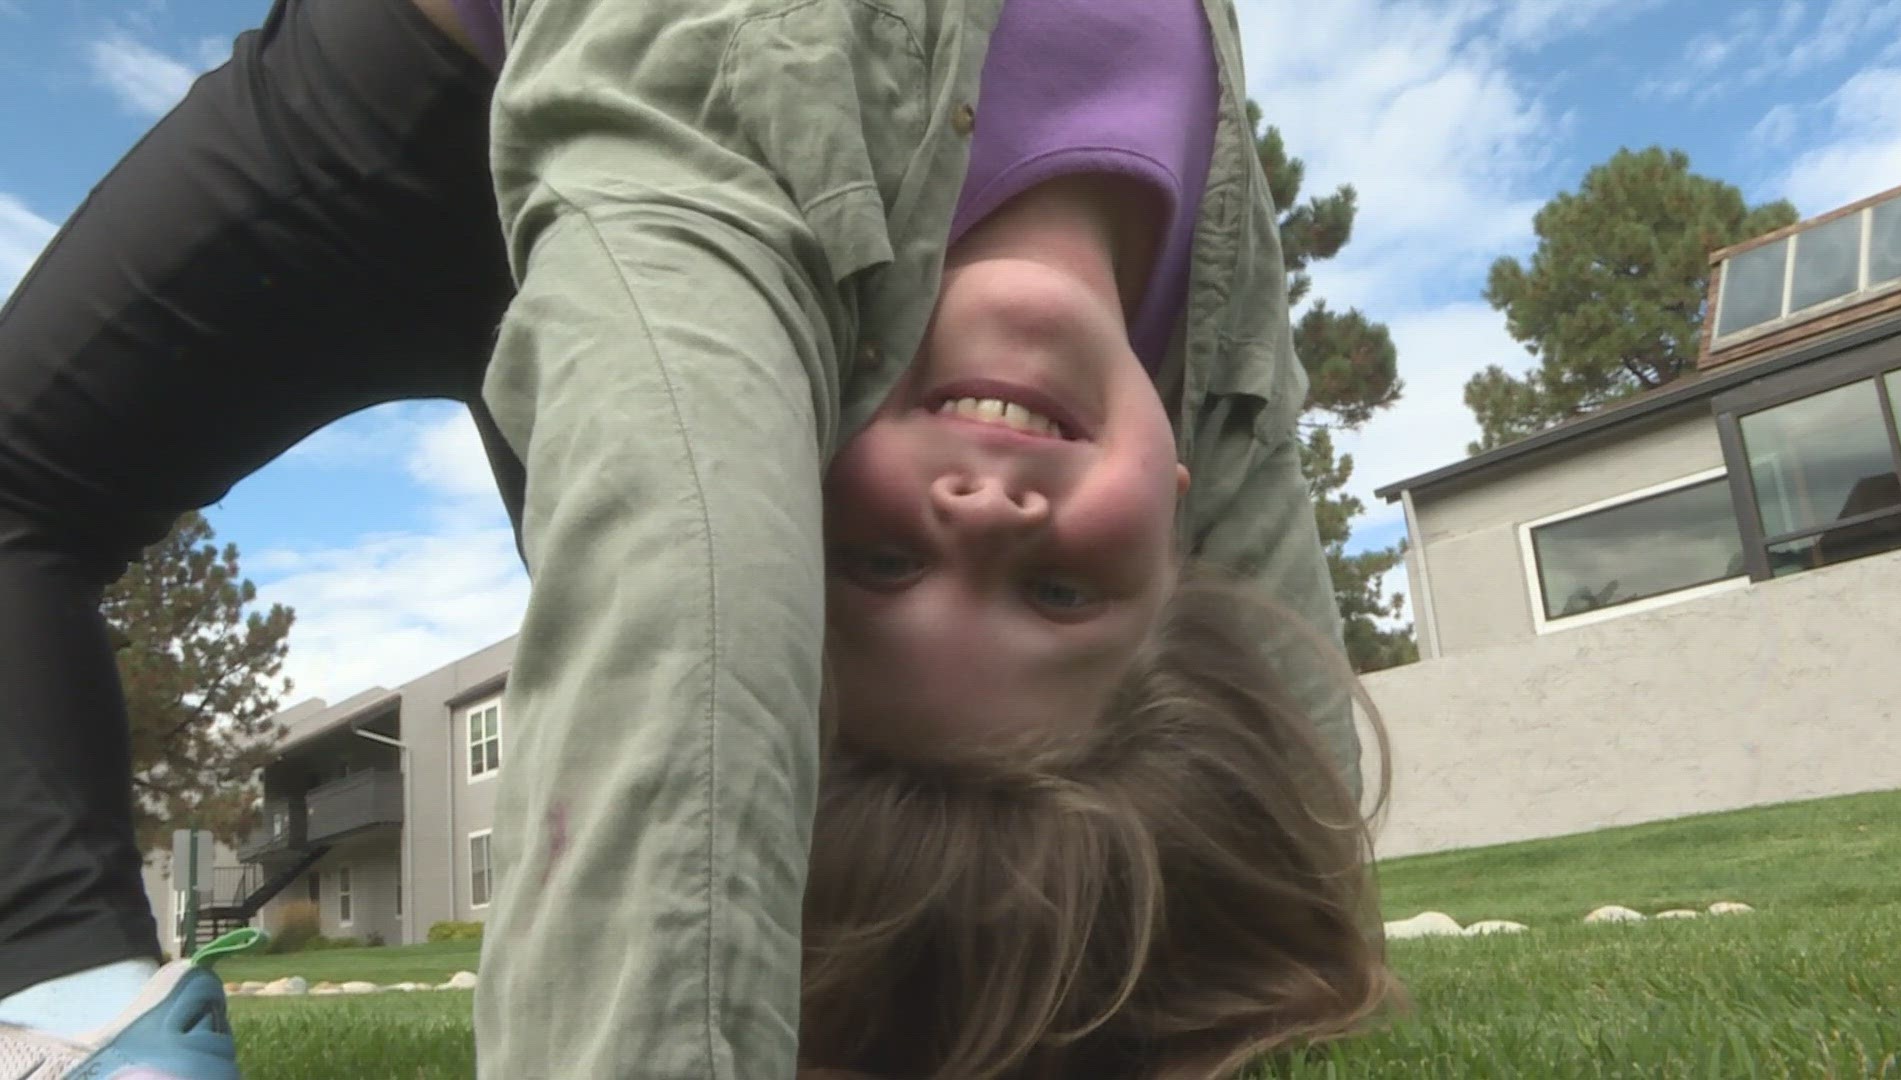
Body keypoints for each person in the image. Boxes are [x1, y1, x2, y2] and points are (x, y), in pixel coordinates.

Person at [0, 0, 1389, 1077]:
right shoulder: (1183, 385)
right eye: (1063, 589)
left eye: (888, 562)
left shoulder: (732, 246)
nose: (988, 515)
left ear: (793, 499)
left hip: (443, 115)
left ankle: (81, 1021)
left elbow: (693, 605)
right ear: (1170, 528)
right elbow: (1291, 713)